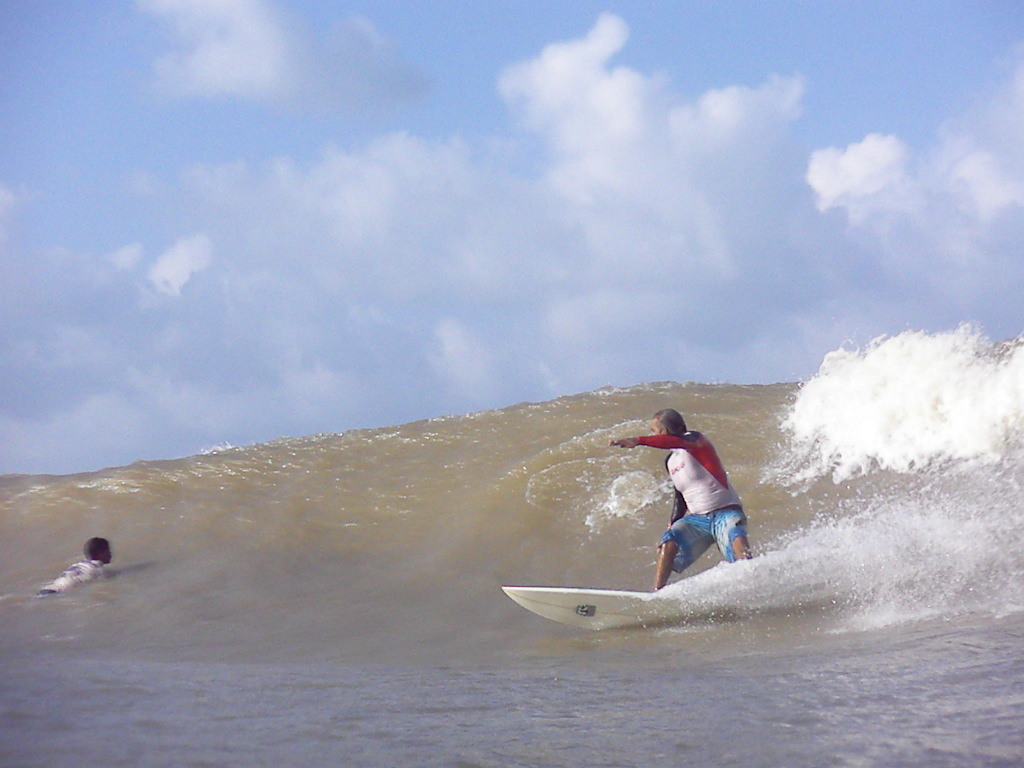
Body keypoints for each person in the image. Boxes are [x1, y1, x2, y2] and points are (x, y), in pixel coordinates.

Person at [610, 409, 751, 590]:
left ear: (663, 432)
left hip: (725, 511)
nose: (652, 434)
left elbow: (678, 441)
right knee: (669, 540)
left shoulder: (695, 440)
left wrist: (639, 440)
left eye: (653, 431)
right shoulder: (670, 461)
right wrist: (673, 522)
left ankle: (752, 577)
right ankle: (657, 594)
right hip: (698, 521)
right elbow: (681, 496)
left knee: (735, 534)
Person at [37, 537, 112, 596]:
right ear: (101, 554)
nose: (110, 554)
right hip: (58, 593)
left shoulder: (79, 564)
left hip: (48, 588)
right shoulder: (99, 570)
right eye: (108, 551)